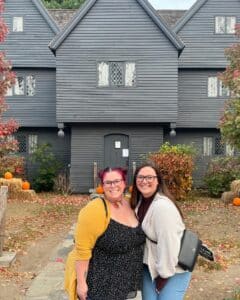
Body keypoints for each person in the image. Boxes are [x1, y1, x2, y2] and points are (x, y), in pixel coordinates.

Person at [64, 167, 145, 300]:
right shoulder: (95, 209)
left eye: (117, 181)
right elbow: (82, 249)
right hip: (100, 285)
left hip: (122, 283)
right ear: (102, 186)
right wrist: (81, 283)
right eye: (108, 182)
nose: (113, 185)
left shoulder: (131, 203)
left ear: (124, 183)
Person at [130, 163, 191, 300]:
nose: (144, 181)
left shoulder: (162, 207)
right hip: (150, 266)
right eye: (140, 177)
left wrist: (163, 277)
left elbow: (169, 244)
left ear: (158, 181)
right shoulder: (140, 203)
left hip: (172, 269)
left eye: (149, 177)